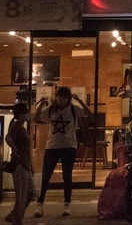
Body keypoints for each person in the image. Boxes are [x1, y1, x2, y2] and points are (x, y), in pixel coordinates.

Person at [33, 87, 92, 217]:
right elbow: (36, 118)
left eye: (64, 97)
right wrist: (42, 104)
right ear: (56, 97)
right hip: (52, 147)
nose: (61, 100)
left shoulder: (73, 108)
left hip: (69, 146)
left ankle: (67, 205)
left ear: (69, 98)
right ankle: (39, 204)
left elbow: (89, 114)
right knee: (45, 176)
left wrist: (80, 101)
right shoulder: (51, 109)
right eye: (59, 97)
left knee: (67, 176)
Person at [4, 102, 35, 225]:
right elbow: (8, 137)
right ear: (21, 114)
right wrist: (15, 149)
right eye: (26, 112)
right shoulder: (16, 126)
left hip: (25, 164)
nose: (28, 115)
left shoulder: (21, 126)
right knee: (22, 195)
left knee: (30, 192)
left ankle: (14, 216)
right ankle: (17, 223)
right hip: (19, 164)